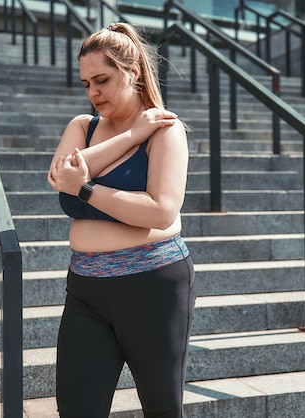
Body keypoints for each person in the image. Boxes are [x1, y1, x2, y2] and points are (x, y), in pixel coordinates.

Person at [47, 22, 196, 418]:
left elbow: (161, 211)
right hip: (86, 290)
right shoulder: (83, 126)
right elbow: (61, 176)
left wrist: (87, 189)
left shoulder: (165, 131)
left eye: (102, 80)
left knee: (163, 410)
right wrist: (131, 136)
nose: (93, 92)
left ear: (132, 72)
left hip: (152, 286)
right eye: (85, 84)